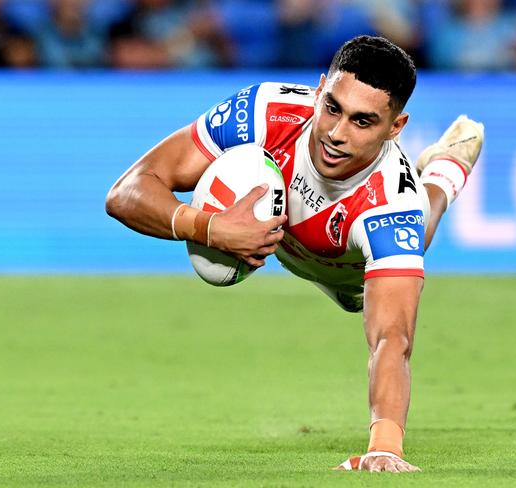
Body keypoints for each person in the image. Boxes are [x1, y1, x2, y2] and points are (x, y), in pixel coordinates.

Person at [106, 35, 484, 473]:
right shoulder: (264, 112)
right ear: (321, 88)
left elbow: (391, 339)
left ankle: (443, 170)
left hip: (345, 267)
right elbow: (126, 192)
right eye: (333, 108)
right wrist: (209, 226)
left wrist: (385, 445)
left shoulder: (389, 208)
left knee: (418, 227)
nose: (336, 135)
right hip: (284, 236)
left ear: (395, 128)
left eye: (363, 122)